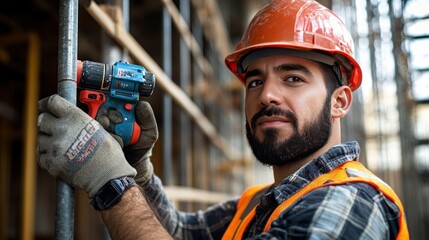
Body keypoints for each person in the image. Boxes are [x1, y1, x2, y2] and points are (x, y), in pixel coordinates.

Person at [37, 0, 409, 239]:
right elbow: (179, 233)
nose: (266, 95)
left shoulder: (349, 203)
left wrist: (109, 182)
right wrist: (136, 168)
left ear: (340, 101)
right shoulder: (263, 203)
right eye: (255, 81)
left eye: (293, 78)